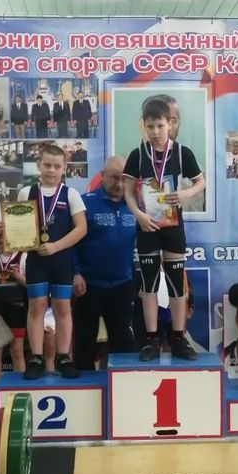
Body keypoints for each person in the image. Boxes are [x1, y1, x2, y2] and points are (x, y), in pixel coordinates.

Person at [0, 143, 87, 380]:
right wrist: (4, 231)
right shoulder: (26, 193)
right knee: (36, 307)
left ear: (64, 168)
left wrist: (56, 246)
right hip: (36, 261)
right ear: (38, 165)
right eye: (47, 165)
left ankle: (63, 357)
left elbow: (82, 229)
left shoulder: (71, 194)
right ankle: (36, 357)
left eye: (56, 166)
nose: (51, 170)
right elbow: (17, 229)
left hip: (62, 260)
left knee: (62, 308)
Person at [124, 97, 206, 361]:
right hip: (147, 226)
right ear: (143, 126)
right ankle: (151, 339)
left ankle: (178, 337)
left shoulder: (182, 153)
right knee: (148, 283)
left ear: (170, 124)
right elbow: (128, 193)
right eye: (150, 126)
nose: (156, 132)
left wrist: (185, 194)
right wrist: (138, 215)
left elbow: (201, 183)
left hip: (173, 226)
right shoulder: (138, 155)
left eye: (160, 126)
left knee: (176, 282)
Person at [72, 156, 137, 370]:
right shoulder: (85, 203)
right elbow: (71, 243)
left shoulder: (136, 205)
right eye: (114, 178)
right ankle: (84, 387)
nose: (119, 184)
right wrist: (75, 272)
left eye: (124, 179)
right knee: (85, 344)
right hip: (88, 286)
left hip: (122, 285)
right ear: (102, 176)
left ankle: (123, 386)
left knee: (123, 344)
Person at [0, 228, 29, 385]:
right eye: (1, 242)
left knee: (17, 351)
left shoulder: (23, 257)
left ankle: (20, 390)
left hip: (17, 311)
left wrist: (20, 278)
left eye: (8, 241)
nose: (5, 245)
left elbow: (32, 286)